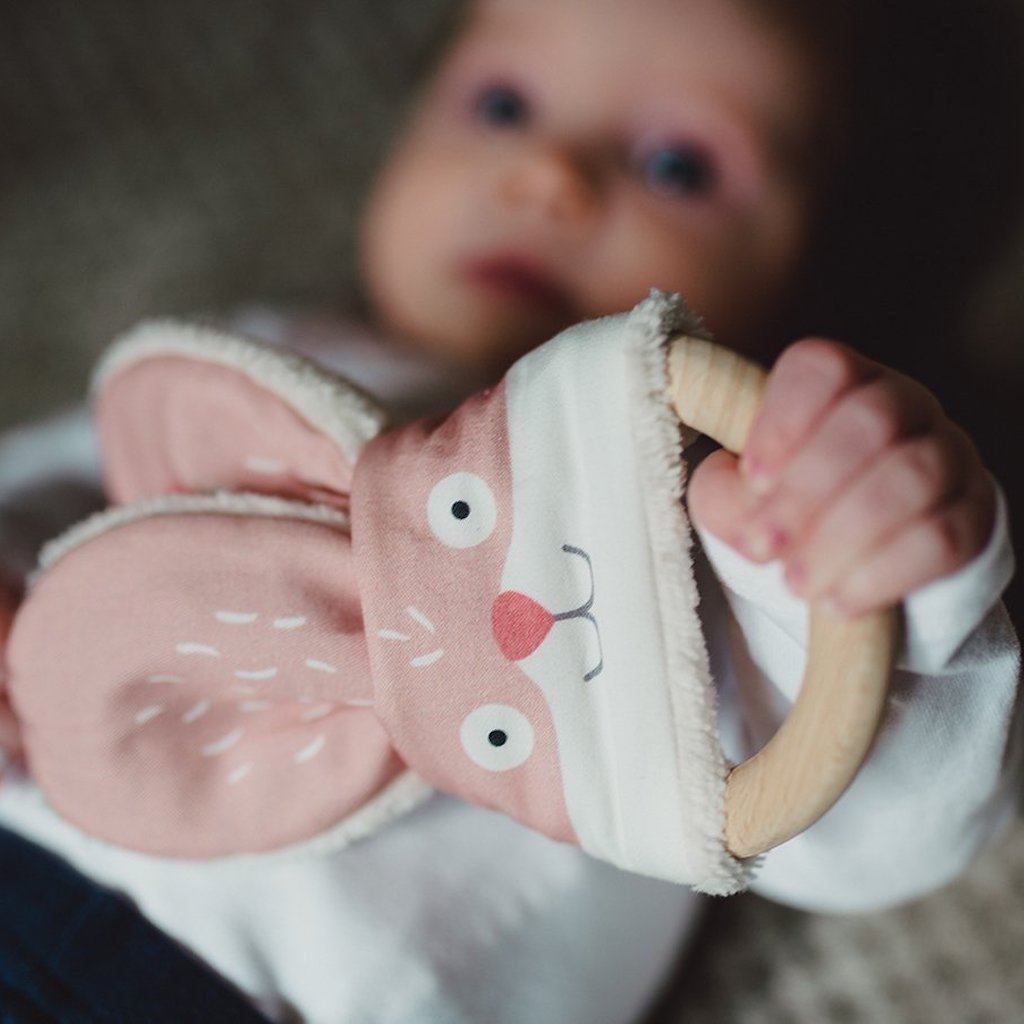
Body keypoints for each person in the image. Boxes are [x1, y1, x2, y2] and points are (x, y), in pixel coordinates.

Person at [0, 0, 1020, 1020]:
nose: (553, 174)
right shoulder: (261, 355)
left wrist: (871, 558)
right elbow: (47, 488)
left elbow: (866, 823)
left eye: (680, 167)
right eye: (502, 103)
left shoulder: (727, 517)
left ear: (814, 276)